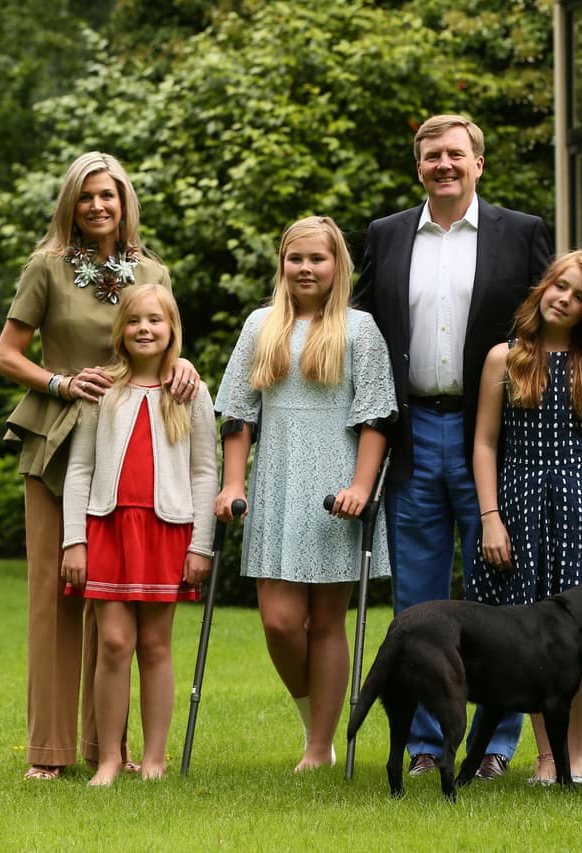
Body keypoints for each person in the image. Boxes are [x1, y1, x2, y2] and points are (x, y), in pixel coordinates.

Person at [354, 114, 553, 780]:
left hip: (491, 435)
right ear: (419, 167)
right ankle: (424, 744)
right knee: (417, 601)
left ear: (478, 163)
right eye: (432, 155)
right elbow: (356, 331)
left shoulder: (520, 233)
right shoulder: (385, 236)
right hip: (414, 435)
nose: (444, 164)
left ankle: (495, 745)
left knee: (499, 597)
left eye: (456, 154)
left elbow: (558, 322)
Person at [0, 151, 201, 781]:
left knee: (113, 600)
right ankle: (49, 752)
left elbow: (160, 340)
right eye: (86, 196)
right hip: (61, 440)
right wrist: (58, 382)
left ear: (124, 201)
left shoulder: (151, 269)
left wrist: (184, 367)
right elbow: (6, 355)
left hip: (134, 448)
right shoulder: (47, 268)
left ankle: (104, 749)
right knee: (58, 593)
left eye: (108, 195)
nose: (98, 205)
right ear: (71, 204)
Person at [214, 215, 397, 772]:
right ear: (283, 265)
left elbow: (376, 418)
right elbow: (239, 416)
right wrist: (233, 483)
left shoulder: (359, 330)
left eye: (317, 259)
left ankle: (318, 747)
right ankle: (311, 714)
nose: (306, 268)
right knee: (279, 621)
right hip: (275, 482)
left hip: (335, 487)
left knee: (326, 621)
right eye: (296, 259)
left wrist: (362, 487)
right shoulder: (259, 326)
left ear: (337, 265)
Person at [470, 249, 582, 785]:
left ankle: (578, 757)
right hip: (518, 504)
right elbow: (483, 443)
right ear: (544, 287)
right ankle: (547, 759)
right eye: (559, 286)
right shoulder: (506, 357)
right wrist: (490, 517)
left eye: (579, 296)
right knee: (530, 640)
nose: (564, 299)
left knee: (577, 641)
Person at [61, 284, 217, 785]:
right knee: (112, 642)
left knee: (154, 645)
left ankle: (154, 759)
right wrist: (74, 539)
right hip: (106, 528)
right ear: (120, 330)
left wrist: (200, 543)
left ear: (172, 328)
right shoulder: (101, 389)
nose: (145, 329)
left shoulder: (188, 390)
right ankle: (108, 758)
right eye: (134, 321)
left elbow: (204, 473)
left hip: (167, 531)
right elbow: (80, 468)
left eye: (155, 320)